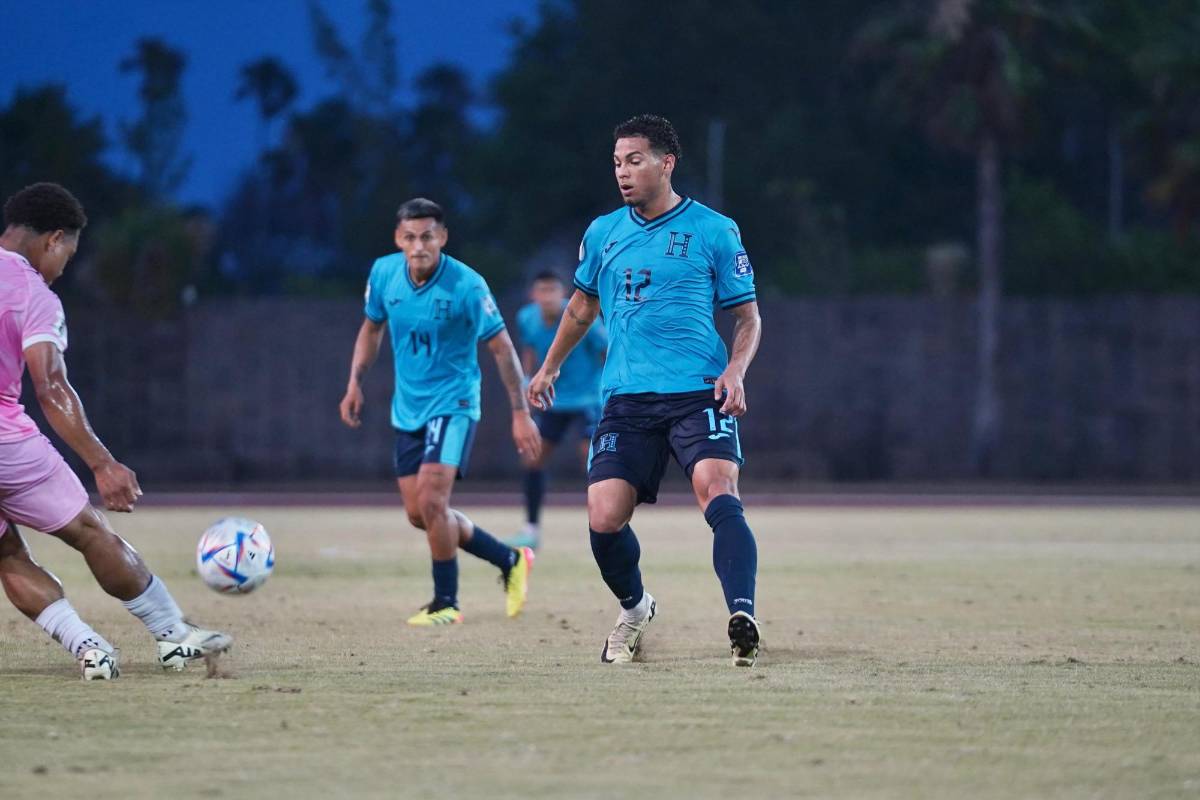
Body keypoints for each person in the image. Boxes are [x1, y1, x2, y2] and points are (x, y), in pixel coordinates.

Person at [527, 115, 764, 666]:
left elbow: (748, 318)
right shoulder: (603, 232)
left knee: (716, 487)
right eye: (616, 162)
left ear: (666, 162)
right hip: (628, 398)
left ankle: (742, 614)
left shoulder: (713, 229)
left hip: (697, 392)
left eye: (634, 160)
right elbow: (583, 306)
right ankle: (635, 608)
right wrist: (550, 368)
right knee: (604, 516)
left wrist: (735, 370)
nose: (623, 172)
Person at [0, 182, 231, 680]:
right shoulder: (31, 292)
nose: (63, 267)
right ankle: (174, 635)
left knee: (7, 555)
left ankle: (89, 649)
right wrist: (102, 463)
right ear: (53, 239)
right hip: (4, 441)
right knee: (87, 531)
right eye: (69, 253)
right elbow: (52, 385)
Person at [339, 198, 542, 626]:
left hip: (454, 403)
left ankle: (445, 603)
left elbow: (503, 349)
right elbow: (371, 329)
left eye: (427, 236)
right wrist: (355, 381)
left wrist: (519, 411)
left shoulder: (467, 286)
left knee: (434, 501)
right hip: (408, 408)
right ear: (398, 239)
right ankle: (509, 559)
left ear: (442, 238)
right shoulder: (383, 274)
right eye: (410, 237)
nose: (419, 246)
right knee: (422, 515)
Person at [509, 270, 606, 550]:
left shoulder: (580, 315)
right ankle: (531, 529)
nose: (548, 297)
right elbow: (529, 351)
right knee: (532, 458)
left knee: (592, 460)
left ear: (562, 294)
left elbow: (606, 349)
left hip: (589, 398)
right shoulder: (526, 318)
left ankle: (604, 531)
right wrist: (528, 381)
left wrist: (604, 387)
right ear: (533, 295)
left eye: (553, 291)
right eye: (543, 291)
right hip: (553, 398)